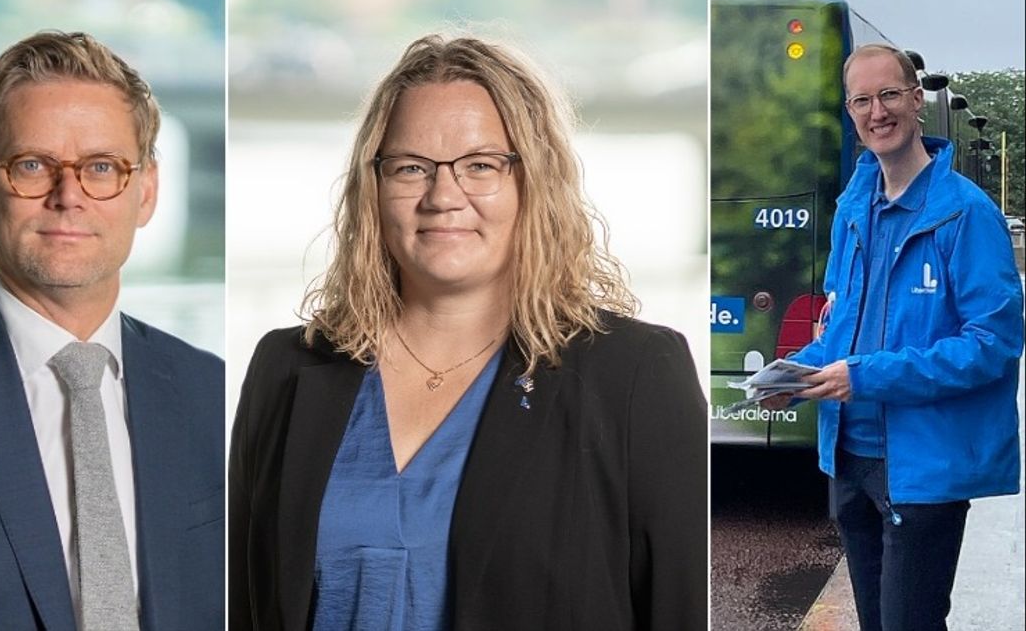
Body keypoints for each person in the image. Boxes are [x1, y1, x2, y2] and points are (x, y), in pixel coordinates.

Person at [229, 33, 707, 630]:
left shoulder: (634, 375)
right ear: (372, 188)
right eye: (410, 168)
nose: (442, 196)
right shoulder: (286, 368)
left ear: (533, 182)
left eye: (480, 165)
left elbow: (679, 610)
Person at [0, 31, 224, 629]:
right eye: (32, 165)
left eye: (102, 167)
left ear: (146, 192)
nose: (69, 196)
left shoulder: (210, 391)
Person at [783, 44, 1024, 631]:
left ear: (917, 100)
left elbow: (992, 343)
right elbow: (841, 328)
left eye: (889, 94)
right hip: (850, 460)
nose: (877, 112)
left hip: (923, 470)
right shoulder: (852, 210)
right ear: (849, 111)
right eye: (861, 100)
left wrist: (865, 376)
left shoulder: (964, 214)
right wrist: (793, 375)